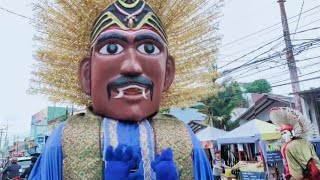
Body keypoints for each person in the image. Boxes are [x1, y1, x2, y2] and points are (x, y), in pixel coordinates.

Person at [28, 0, 220, 179]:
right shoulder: (64, 139)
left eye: (148, 48)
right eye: (111, 48)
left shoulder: (184, 137)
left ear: (168, 73)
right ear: (87, 74)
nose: (132, 67)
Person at [269, 107, 320, 180]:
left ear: (292, 133)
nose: (283, 136)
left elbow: (296, 173)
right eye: (282, 134)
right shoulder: (304, 142)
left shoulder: (289, 147)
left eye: (285, 133)